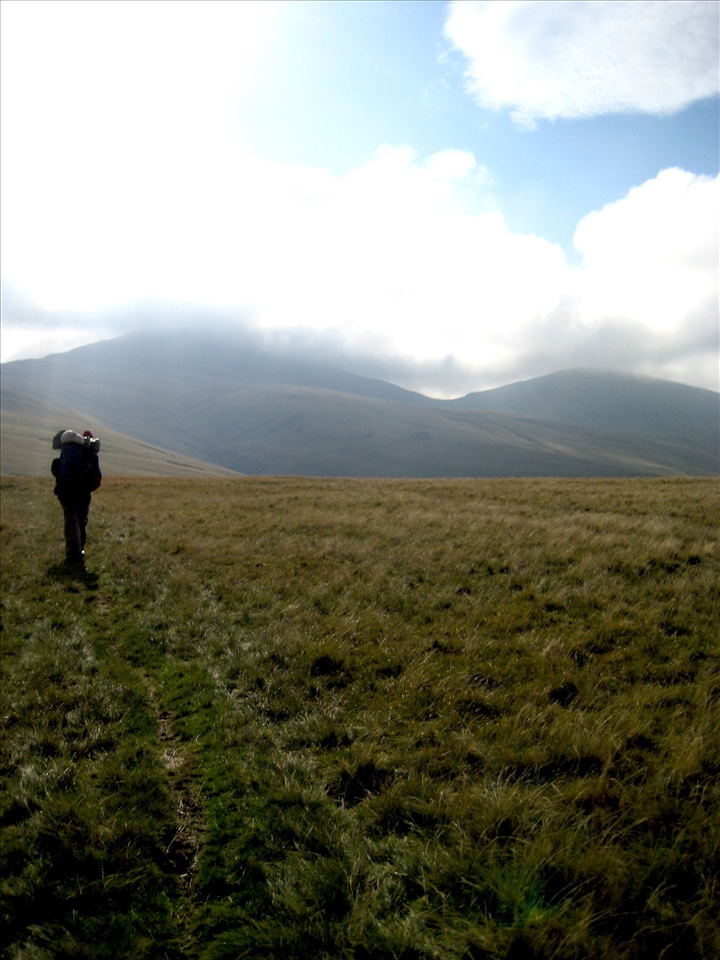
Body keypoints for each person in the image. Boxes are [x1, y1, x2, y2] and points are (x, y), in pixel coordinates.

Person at [51, 429, 102, 565]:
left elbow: (57, 468)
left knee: (70, 521)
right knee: (80, 522)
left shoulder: (69, 451)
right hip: (82, 493)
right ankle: (78, 552)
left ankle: (72, 554)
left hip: (65, 490)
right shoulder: (89, 454)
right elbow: (96, 478)